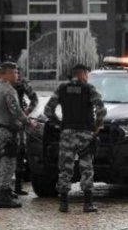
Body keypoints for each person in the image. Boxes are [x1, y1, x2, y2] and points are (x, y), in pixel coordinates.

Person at [44, 64, 107, 213]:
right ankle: (87, 203)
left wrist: (59, 123)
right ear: (83, 74)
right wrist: (96, 128)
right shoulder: (89, 89)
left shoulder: (62, 88)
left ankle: (64, 203)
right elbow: (102, 111)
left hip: (67, 133)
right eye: (87, 74)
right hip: (85, 133)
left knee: (65, 168)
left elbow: (47, 110)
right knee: (86, 167)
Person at [0, 62, 27, 209]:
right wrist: (26, 122)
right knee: (7, 164)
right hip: (8, 131)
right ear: (7, 74)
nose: (17, 75)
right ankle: (5, 195)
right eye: (15, 72)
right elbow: (16, 111)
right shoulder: (9, 90)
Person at [12, 76, 38, 196]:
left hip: (19, 123)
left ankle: (17, 185)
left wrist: (26, 113)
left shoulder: (21, 82)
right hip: (5, 122)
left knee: (20, 152)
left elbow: (34, 99)